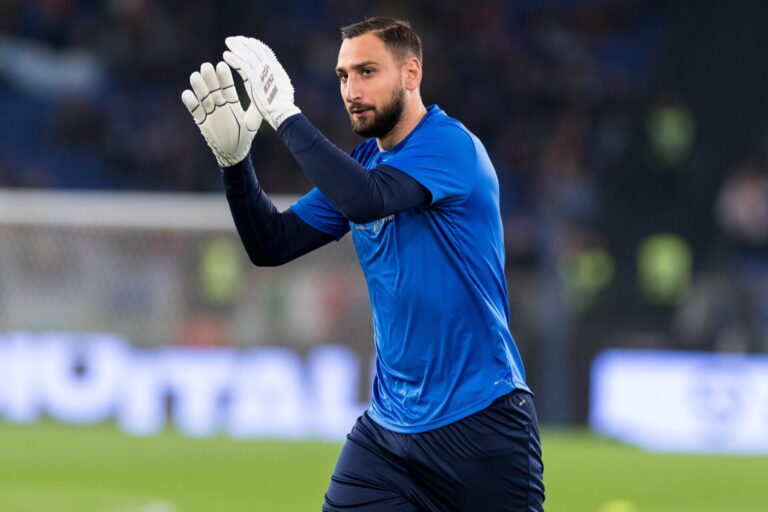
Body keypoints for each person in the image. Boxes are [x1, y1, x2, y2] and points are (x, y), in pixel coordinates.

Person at [182, 16, 544, 512]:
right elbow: (271, 244)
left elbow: (365, 199)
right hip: (388, 436)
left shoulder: (451, 147)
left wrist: (286, 115)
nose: (351, 89)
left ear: (411, 74)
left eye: (367, 71)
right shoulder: (365, 164)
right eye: (343, 76)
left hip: (479, 424)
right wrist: (235, 164)